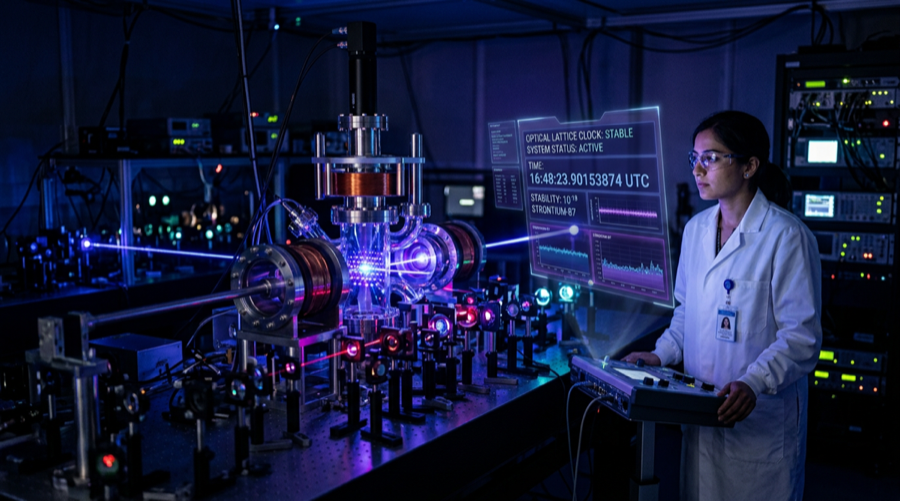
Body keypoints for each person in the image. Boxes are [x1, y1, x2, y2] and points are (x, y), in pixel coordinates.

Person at [623, 110, 822, 501]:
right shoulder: (696, 229)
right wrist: (660, 355)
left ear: (749, 166)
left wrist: (754, 381)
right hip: (700, 417)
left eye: (711, 157)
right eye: (694, 157)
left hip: (758, 425)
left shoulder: (787, 237)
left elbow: (802, 336)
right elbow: (686, 313)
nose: (698, 169)